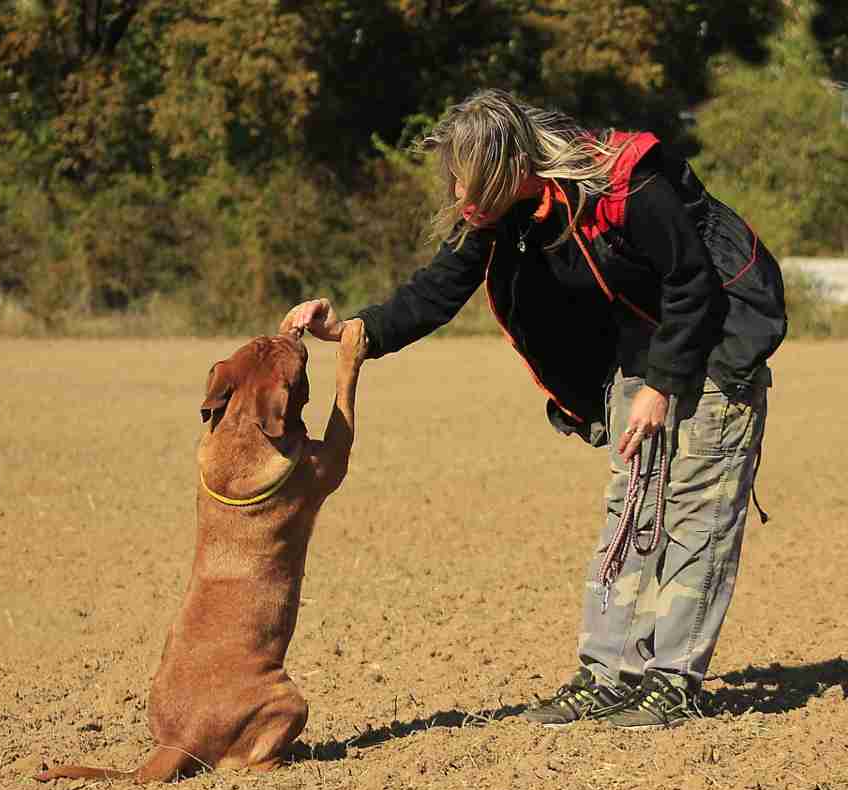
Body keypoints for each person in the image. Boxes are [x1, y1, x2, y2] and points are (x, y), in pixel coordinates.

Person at [279, 88, 785, 729]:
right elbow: (436, 291)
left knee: (696, 506)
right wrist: (352, 328)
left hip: (717, 334)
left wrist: (661, 387)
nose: (459, 191)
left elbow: (693, 282)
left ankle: (672, 679)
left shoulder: (626, 184)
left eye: (467, 174)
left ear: (506, 164)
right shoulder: (498, 213)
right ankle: (609, 675)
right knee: (631, 502)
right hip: (643, 339)